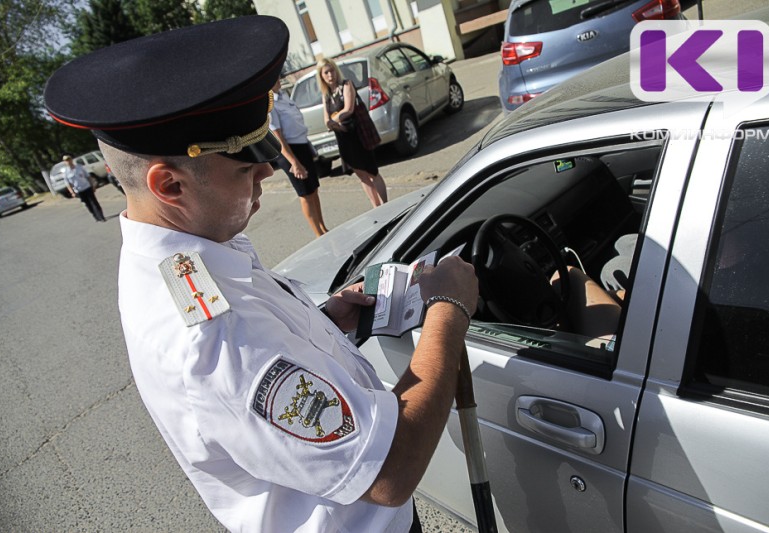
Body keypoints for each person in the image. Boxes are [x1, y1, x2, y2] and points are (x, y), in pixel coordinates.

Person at [43, 16, 478, 533]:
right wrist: (448, 311)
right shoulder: (212, 335)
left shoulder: (194, 251)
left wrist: (323, 321)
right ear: (170, 185)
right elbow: (390, 470)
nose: (268, 171)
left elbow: (262, 341)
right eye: (244, 164)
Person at [316, 58, 388, 208]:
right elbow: (325, 119)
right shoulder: (326, 94)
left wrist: (333, 120)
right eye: (326, 72)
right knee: (361, 175)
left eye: (332, 70)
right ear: (321, 76)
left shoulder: (346, 85)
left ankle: (385, 205)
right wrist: (333, 123)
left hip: (358, 134)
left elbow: (348, 109)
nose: (330, 75)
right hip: (343, 138)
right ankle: (376, 207)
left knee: (372, 171)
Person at [269, 78, 328, 237]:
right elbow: (278, 138)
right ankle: (318, 234)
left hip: (301, 146)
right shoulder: (270, 104)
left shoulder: (283, 96)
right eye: (274, 78)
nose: (278, 79)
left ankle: (323, 227)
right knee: (305, 193)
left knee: (313, 188)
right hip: (289, 152)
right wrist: (294, 163)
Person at [62, 154, 106, 221]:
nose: (68, 161)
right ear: (64, 162)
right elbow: (68, 184)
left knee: (94, 202)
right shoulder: (66, 172)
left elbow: (88, 176)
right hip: (79, 190)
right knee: (87, 204)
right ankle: (95, 216)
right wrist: (72, 192)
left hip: (87, 187)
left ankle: (101, 216)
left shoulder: (79, 167)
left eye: (69, 159)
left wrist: (93, 185)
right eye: (66, 160)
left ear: (71, 160)